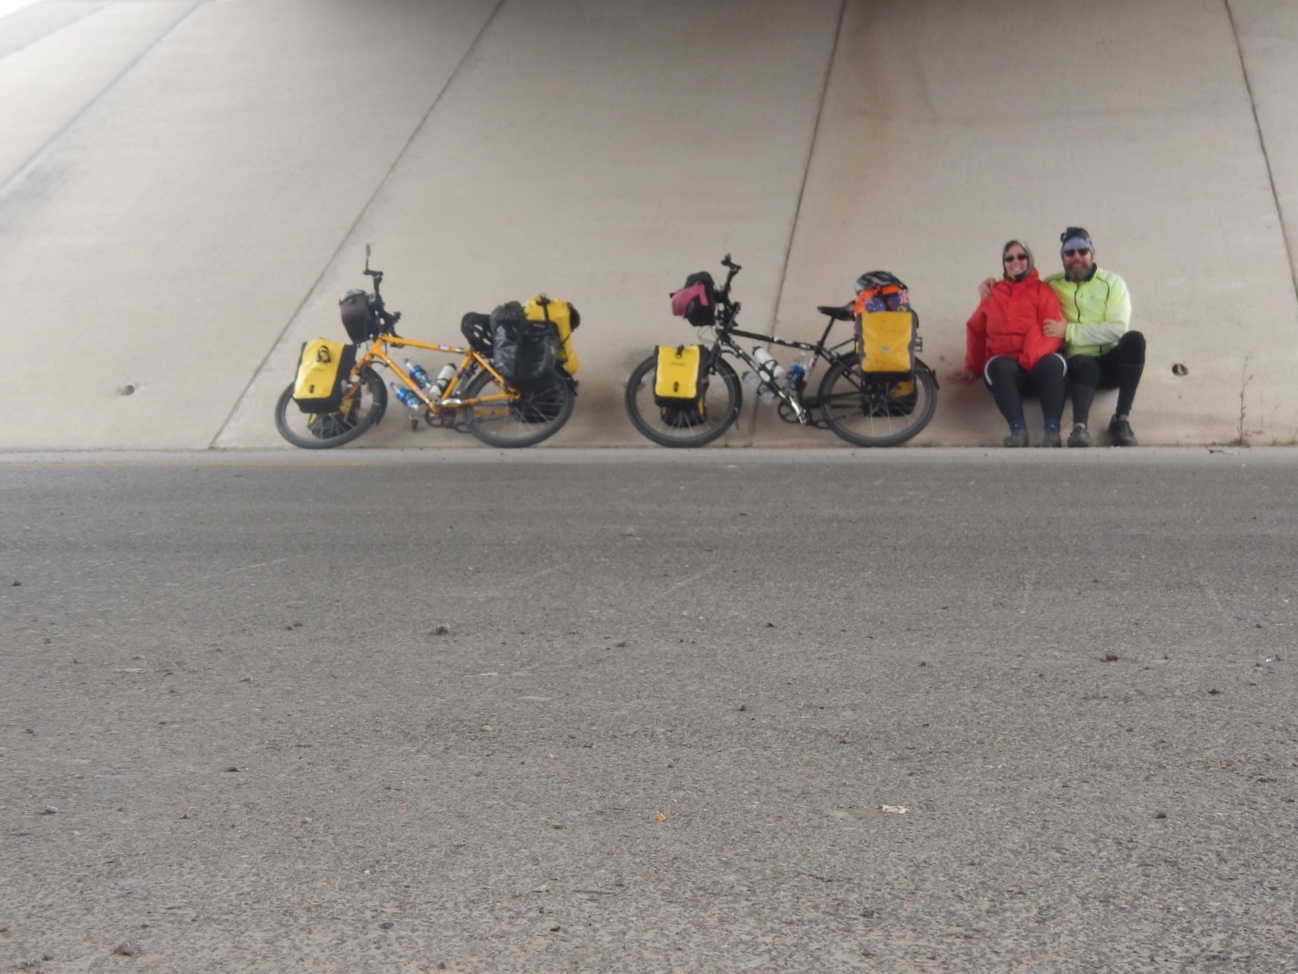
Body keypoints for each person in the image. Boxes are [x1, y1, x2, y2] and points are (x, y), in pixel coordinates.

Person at [949, 240, 1067, 447]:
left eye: (1021, 257)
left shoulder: (1043, 291)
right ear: (1003, 263)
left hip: (1037, 366)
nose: (1015, 262)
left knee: (1053, 363)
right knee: (999, 365)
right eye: (1009, 258)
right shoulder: (992, 292)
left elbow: (1052, 332)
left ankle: (1052, 431)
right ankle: (1018, 431)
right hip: (1008, 374)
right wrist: (972, 367)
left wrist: (1027, 360)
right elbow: (976, 329)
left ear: (1030, 259)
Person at [1044, 227, 1145, 447]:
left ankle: (1121, 420)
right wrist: (992, 282)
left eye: (1083, 251)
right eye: (1069, 253)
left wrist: (1068, 331)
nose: (1076, 257)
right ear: (1062, 257)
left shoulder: (1113, 282)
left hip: (1111, 362)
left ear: (1092, 253)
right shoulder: (1051, 285)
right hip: (1079, 365)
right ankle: (1079, 428)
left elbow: (1117, 329)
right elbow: (1022, 290)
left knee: (1134, 340)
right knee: (1085, 364)